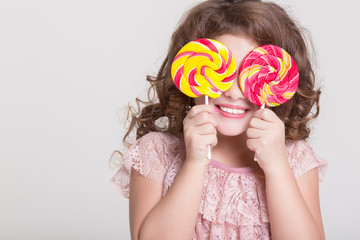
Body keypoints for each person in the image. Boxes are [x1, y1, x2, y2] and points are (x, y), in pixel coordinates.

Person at [111, 0, 328, 239]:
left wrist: (277, 167)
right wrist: (195, 162)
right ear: (192, 72)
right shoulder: (155, 152)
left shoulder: (295, 159)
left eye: (251, 74)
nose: (234, 93)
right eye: (220, 73)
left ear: (277, 80)